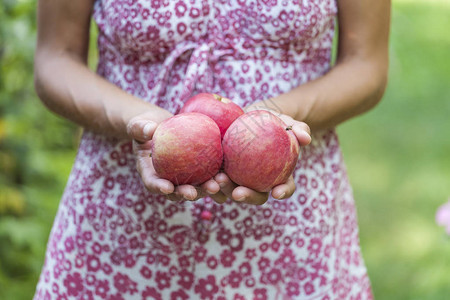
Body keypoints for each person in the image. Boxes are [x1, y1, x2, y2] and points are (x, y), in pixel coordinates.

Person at [33, 0, 389, 299]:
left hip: (292, 232)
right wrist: (139, 122)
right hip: (117, 230)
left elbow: (366, 64)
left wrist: (277, 116)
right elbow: (56, 58)